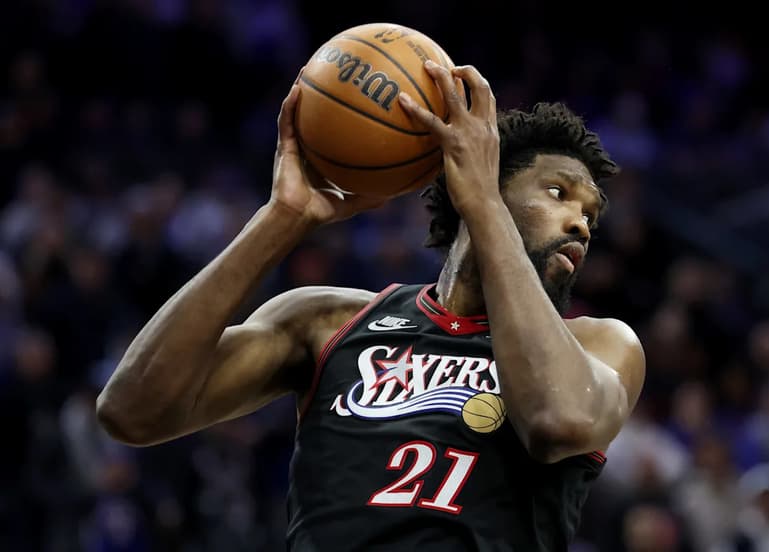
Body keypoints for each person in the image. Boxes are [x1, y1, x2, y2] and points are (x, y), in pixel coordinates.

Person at [96, 60, 646, 551]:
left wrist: (484, 204)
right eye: (558, 193)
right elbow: (132, 410)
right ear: (476, 176)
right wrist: (280, 219)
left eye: (590, 215)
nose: (580, 224)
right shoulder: (329, 321)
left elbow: (556, 420)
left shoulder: (599, 344)